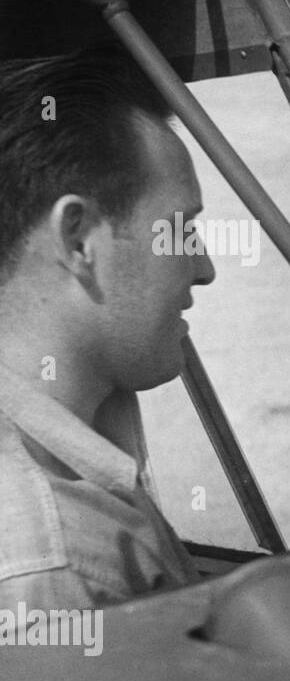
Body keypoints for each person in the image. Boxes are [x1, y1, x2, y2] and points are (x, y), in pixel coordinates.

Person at [0, 50, 216, 610]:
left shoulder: (74, 460)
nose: (204, 267)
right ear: (78, 240)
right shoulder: (52, 566)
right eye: (180, 229)